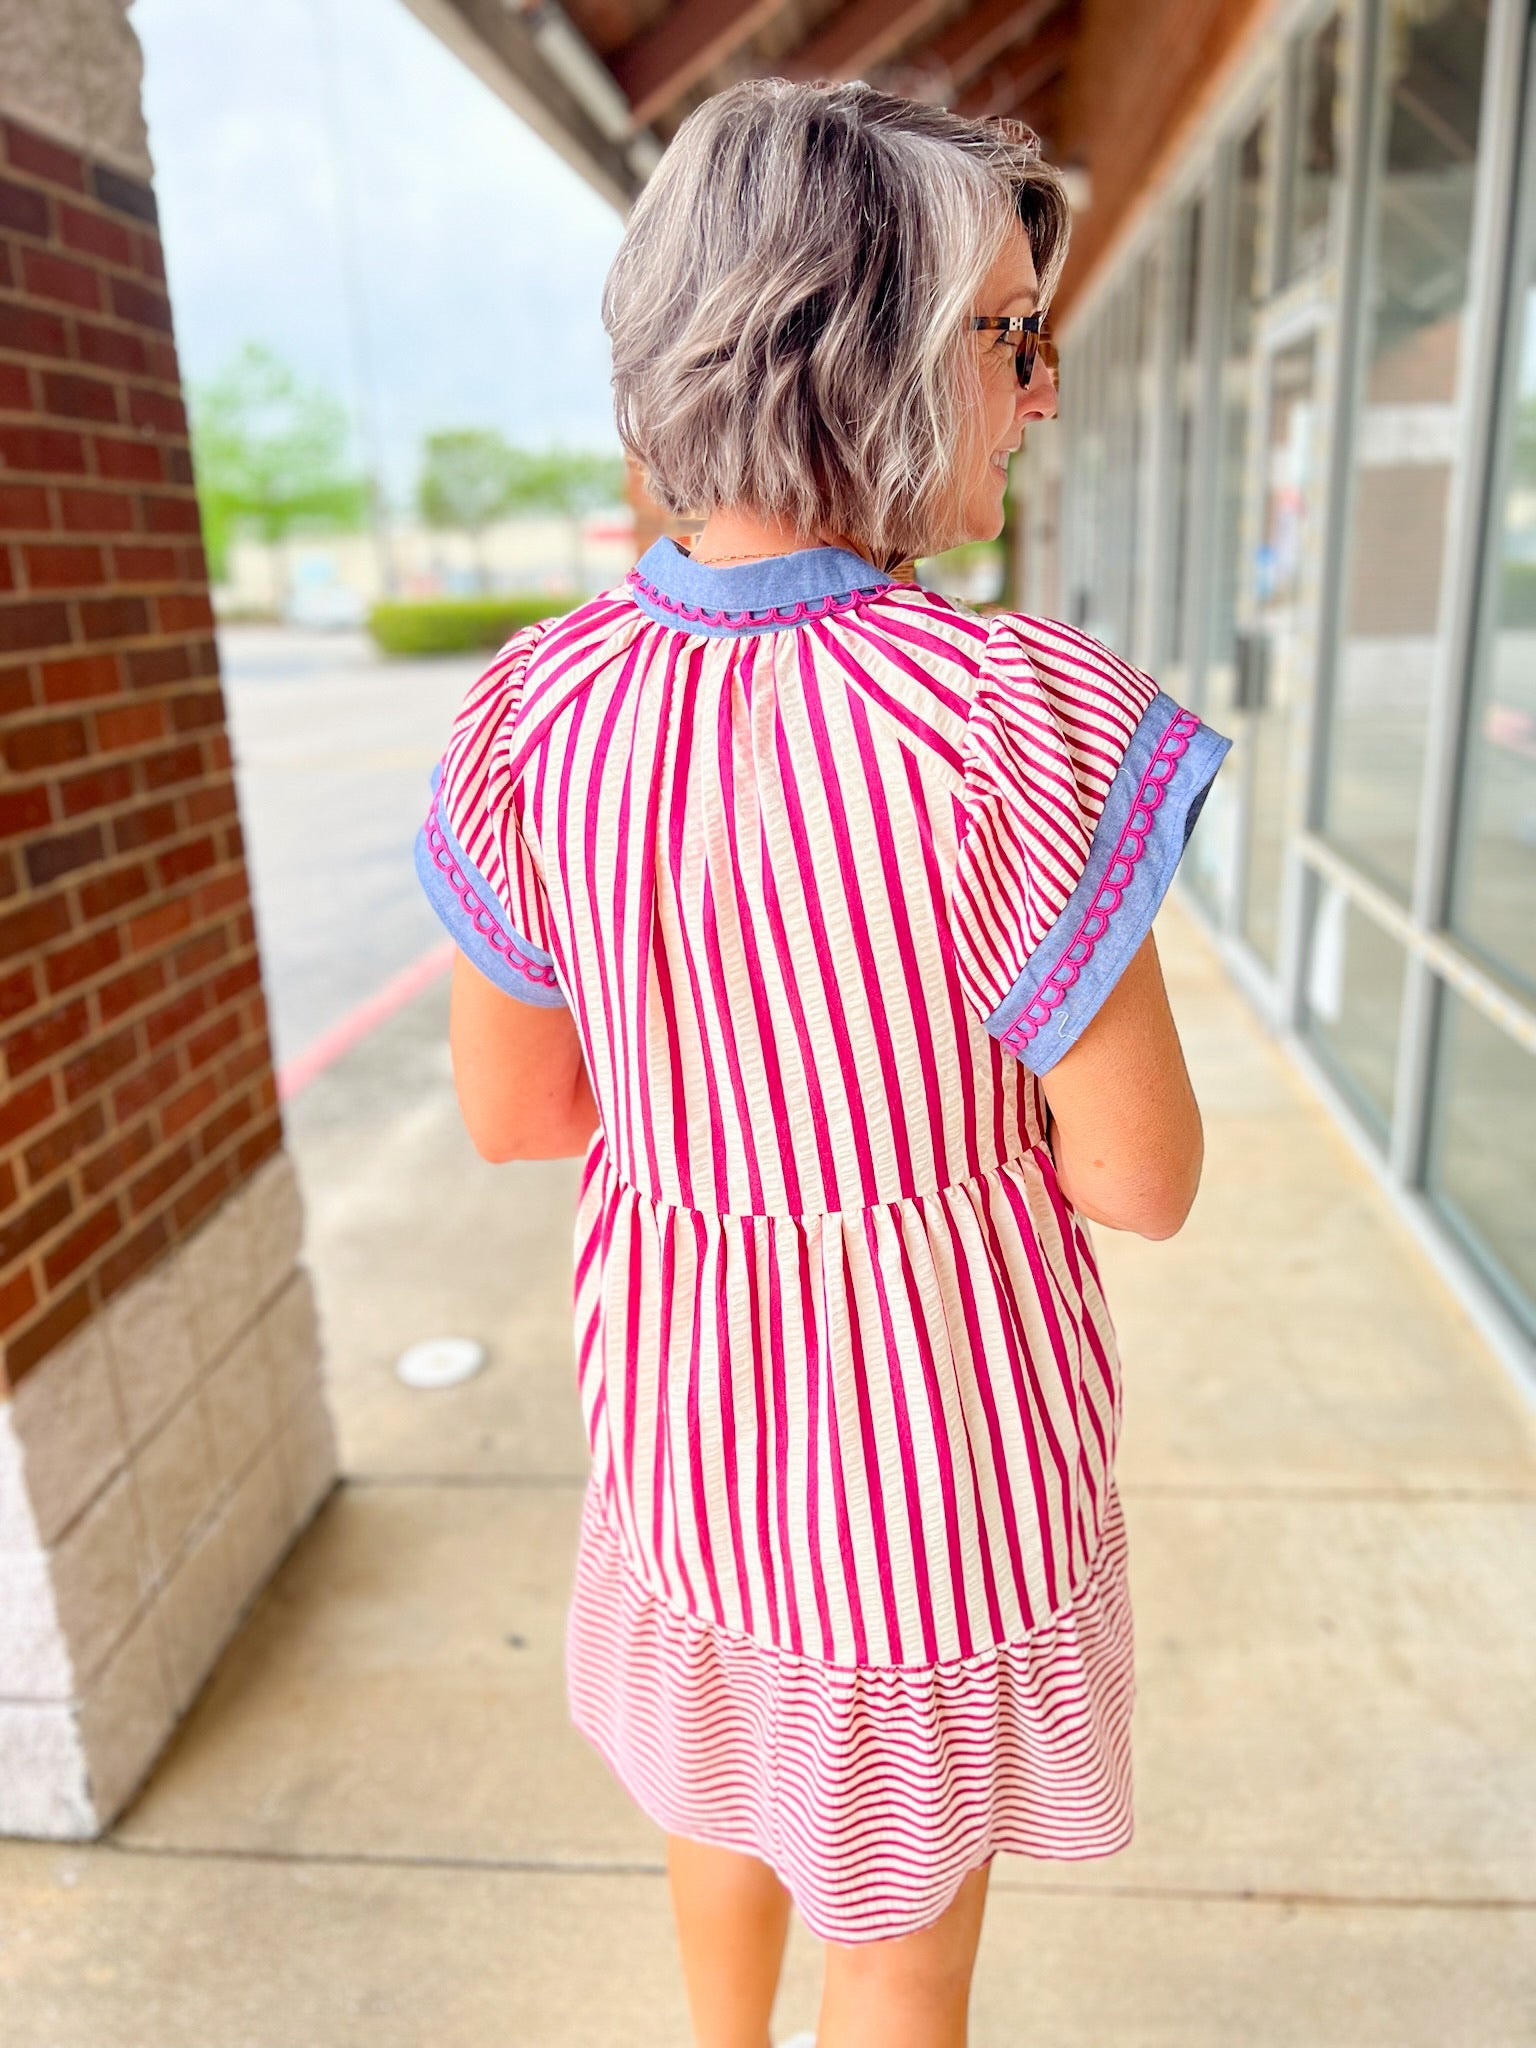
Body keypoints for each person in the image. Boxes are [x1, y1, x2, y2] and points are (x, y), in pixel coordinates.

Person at [414, 76, 1233, 2048]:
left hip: (690, 1419)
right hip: (934, 1469)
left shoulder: (535, 715)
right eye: (1015, 338)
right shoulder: (1015, 723)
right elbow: (1145, 1175)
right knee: (904, 1946)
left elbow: (518, 1110)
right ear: (867, 352)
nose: (1039, 395)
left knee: (732, 1780)